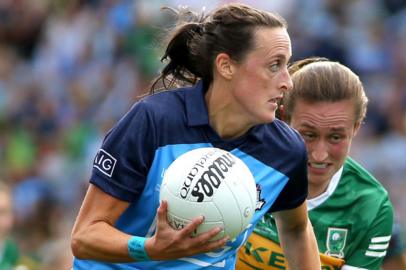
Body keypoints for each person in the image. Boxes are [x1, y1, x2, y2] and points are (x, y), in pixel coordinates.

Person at [70, 3, 321, 270]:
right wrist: (150, 249)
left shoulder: (286, 151)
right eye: (274, 65)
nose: (287, 81)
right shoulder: (154, 122)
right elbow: (85, 237)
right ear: (226, 66)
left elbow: (296, 229)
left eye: (287, 65)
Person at [236, 57, 395, 270]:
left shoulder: (371, 207)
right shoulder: (240, 165)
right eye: (308, 135)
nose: (319, 155)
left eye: (336, 137)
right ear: (283, 118)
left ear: (356, 128)